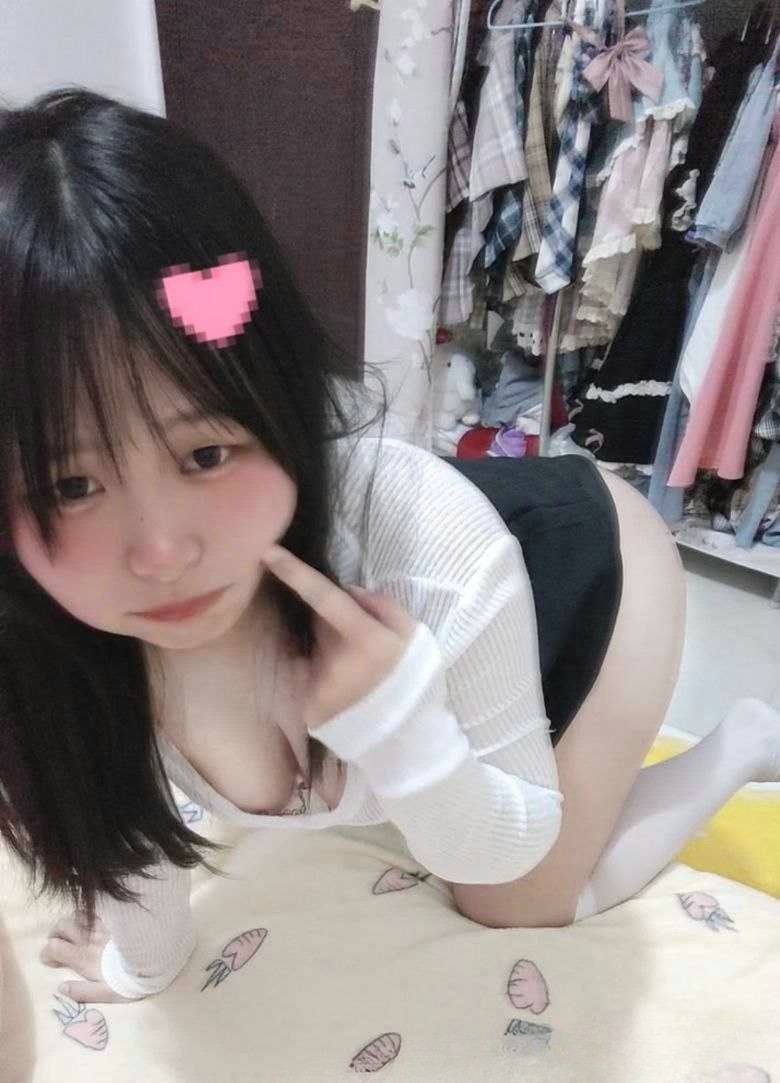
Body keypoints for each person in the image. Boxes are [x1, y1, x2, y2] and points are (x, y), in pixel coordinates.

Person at [1, 88, 777, 1007]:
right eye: (71, 485)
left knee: (516, 906)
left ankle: (742, 743)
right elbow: (120, 819)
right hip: (434, 574)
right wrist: (142, 967)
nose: (161, 552)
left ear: (281, 404)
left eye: (204, 453)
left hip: (582, 571)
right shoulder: (39, 630)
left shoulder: (431, 548)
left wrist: (403, 731)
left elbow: (507, 845)